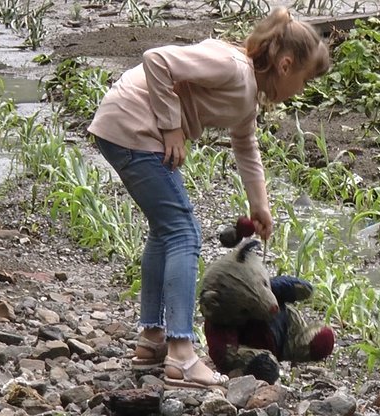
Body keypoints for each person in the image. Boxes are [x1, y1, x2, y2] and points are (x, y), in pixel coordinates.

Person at [86, 6, 331, 389]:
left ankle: (152, 338)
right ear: (285, 65)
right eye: (304, 81)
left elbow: (246, 145)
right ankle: (182, 354)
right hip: (134, 124)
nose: (301, 91)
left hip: (124, 127)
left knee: (164, 230)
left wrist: (260, 204)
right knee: (184, 233)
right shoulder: (231, 67)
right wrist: (170, 127)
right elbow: (158, 60)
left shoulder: (248, 96)